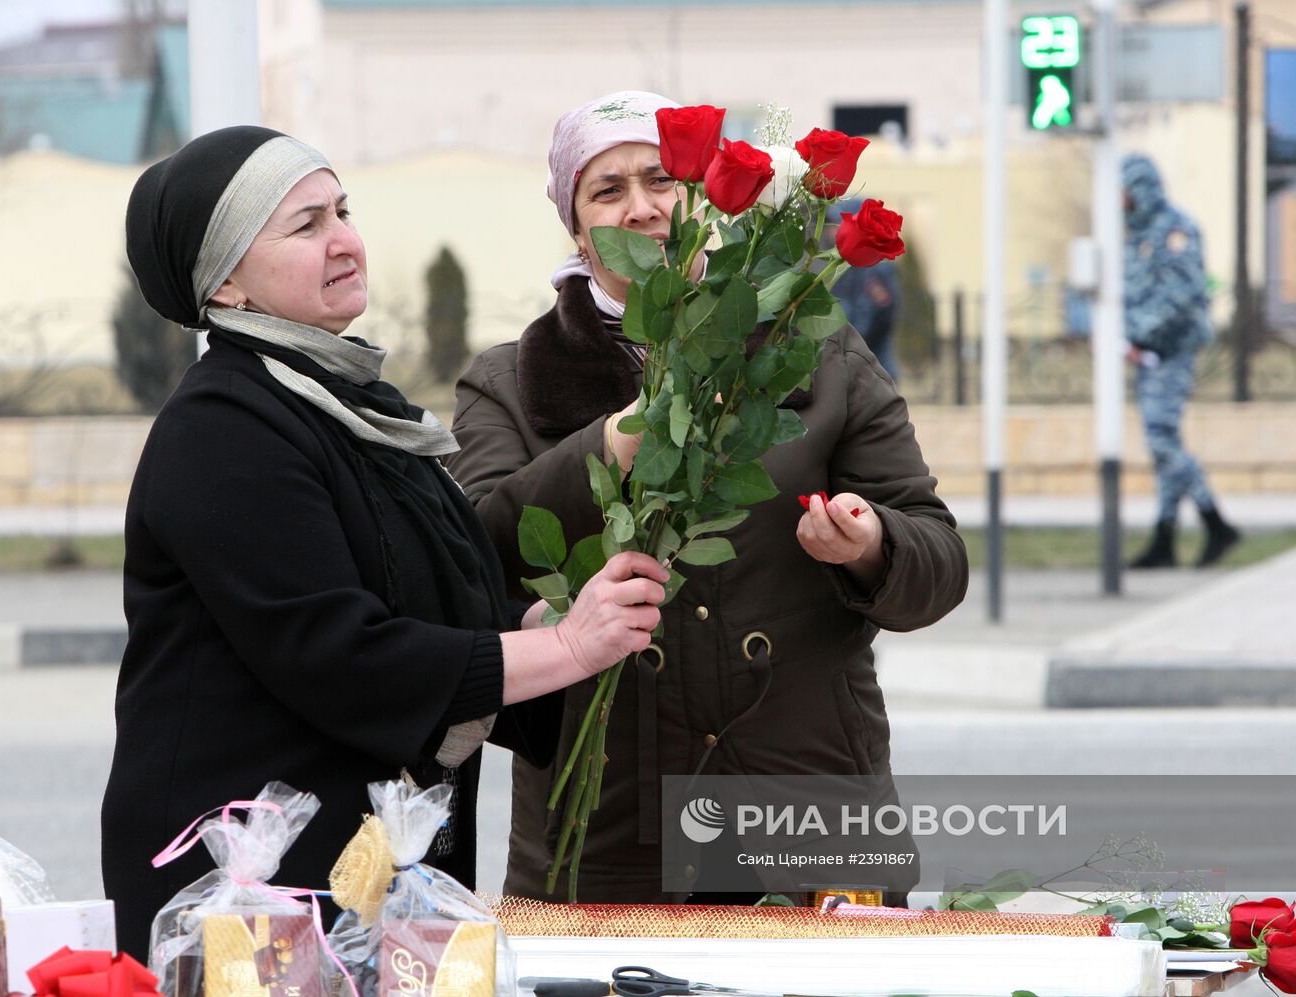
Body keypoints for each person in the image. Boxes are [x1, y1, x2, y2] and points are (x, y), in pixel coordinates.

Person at [102, 125, 668, 952]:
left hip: (373, 871)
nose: (344, 241)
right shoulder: (222, 427)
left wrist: (538, 628)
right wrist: (570, 648)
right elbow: (338, 653)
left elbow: (426, 598)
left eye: (342, 210)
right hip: (253, 897)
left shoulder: (356, 408)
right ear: (226, 284)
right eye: (305, 226)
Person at [447, 92, 969, 903]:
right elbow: (475, 556)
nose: (644, 206)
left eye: (661, 178)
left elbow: (940, 557)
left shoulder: (815, 348)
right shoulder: (509, 382)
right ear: (576, 230)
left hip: (810, 822)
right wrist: (612, 441)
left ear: (701, 195)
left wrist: (871, 547)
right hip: (609, 840)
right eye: (607, 189)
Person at [1121, 153, 1241, 568]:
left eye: (1123, 190)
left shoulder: (1175, 229)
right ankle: (1165, 536)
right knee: (1162, 444)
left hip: (1172, 350)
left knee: (1162, 440)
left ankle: (1215, 522)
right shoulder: (1134, 233)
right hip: (1147, 353)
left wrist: (1139, 334)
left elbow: (1183, 293)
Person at [828, 205, 902, 381]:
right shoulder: (841, 264)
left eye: (835, 224)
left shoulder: (875, 268)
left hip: (872, 366)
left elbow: (879, 313)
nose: (829, 231)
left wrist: (847, 345)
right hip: (851, 362)